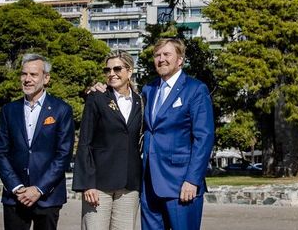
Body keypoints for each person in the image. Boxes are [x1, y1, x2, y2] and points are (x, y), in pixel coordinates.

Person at [0, 53, 75, 230]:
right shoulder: (9, 110)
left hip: (48, 196)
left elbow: (63, 154)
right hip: (15, 196)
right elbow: (0, 152)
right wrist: (16, 187)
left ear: (46, 78)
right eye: (24, 74)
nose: (27, 79)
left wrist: (38, 189)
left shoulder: (62, 110)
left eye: (33, 74)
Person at [140, 38, 214, 230]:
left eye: (167, 54)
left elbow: (204, 138)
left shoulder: (195, 89)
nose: (161, 59)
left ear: (180, 60)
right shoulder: (148, 89)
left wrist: (192, 179)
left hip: (180, 184)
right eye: (157, 55)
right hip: (149, 185)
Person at [73, 52, 144, 230]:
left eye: (117, 68)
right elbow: (85, 142)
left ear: (130, 71)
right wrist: (87, 184)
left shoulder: (140, 101)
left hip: (129, 184)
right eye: (108, 69)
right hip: (98, 185)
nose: (111, 73)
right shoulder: (96, 98)